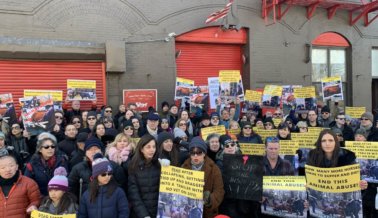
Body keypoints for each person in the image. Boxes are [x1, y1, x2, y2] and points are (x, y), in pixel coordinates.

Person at [181, 137, 224, 218]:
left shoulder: (214, 169)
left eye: (199, 152)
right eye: (192, 153)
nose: (195, 155)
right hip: (188, 211)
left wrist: (209, 200)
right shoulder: (184, 167)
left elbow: (219, 191)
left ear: (204, 153)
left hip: (207, 212)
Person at [78, 153, 129, 218]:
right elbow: (82, 215)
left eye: (110, 173)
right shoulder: (86, 195)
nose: (107, 177)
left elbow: (124, 213)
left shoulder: (118, 192)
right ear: (96, 175)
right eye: (103, 174)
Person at [128, 134, 161, 218]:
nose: (152, 150)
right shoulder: (133, 166)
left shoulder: (159, 165)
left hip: (158, 212)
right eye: (148, 147)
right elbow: (134, 195)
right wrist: (144, 215)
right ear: (141, 149)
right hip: (140, 214)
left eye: (154, 147)